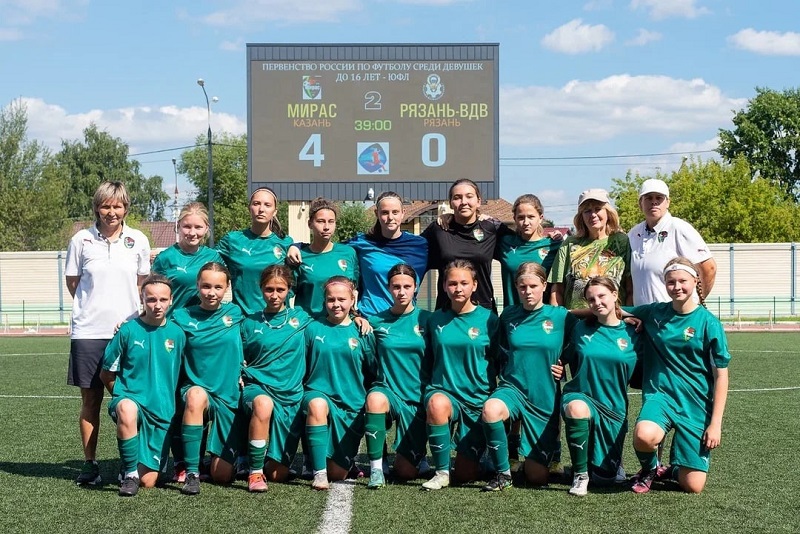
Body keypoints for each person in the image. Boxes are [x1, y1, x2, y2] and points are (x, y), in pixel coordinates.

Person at [65, 180, 151, 486]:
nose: (111, 212)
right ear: (96, 208)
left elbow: (142, 285)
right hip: (88, 332)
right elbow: (74, 284)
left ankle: (131, 464)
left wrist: (129, 319)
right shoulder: (81, 240)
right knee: (91, 401)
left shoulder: (138, 240)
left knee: (131, 399)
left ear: (126, 208)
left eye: (117, 206)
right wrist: (93, 309)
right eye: (105, 206)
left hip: (128, 332)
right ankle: (90, 464)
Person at [625, 257, 730, 494]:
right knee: (644, 435)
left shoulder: (709, 323)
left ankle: (672, 469)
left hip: (696, 403)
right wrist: (629, 317)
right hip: (661, 396)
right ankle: (650, 468)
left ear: (695, 281)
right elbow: (611, 310)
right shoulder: (654, 312)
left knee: (693, 486)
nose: (677, 287)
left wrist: (715, 424)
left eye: (683, 281)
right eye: (671, 282)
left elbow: (721, 376)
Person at [480, 262, 577, 491]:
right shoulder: (508, 315)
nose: (528, 292)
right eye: (522, 287)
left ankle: (531, 462)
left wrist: (563, 361)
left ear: (544, 285)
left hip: (544, 395)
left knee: (537, 477)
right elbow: (499, 348)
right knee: (491, 410)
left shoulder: (560, 316)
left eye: (533, 286)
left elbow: (581, 338)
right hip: (512, 388)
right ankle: (503, 473)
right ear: (516, 287)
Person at [100, 275, 186, 496]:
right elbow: (106, 372)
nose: (157, 305)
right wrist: (121, 395)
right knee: (127, 408)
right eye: (151, 299)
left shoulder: (178, 333)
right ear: (142, 299)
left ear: (171, 300)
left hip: (161, 411)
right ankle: (129, 474)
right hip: (132, 401)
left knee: (148, 481)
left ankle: (133, 463)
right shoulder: (127, 331)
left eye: (163, 300)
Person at [422, 260, 499, 491]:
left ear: (474, 285)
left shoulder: (489, 320)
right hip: (444, 391)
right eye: (452, 283)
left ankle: (483, 455)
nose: (458, 289)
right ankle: (441, 472)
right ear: (444, 286)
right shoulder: (434, 320)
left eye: (464, 283)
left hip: (477, 398)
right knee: (436, 403)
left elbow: (501, 358)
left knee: (465, 474)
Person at [559, 276, 640, 497]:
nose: (597, 303)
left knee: (606, 479)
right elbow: (563, 353)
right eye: (591, 299)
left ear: (615, 294)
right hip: (580, 394)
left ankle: (607, 464)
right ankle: (580, 475)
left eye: (602, 296)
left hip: (613, 408)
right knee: (576, 408)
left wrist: (629, 315)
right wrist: (558, 366)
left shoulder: (634, 333)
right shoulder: (580, 328)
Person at [288, 191, 428, 316]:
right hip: (371, 319)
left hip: (406, 319)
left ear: (403, 212)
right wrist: (296, 246)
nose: (390, 217)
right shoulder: (361, 243)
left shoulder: (421, 245)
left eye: (395, 212)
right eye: (385, 212)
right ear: (377, 214)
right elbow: (325, 246)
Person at [171, 262, 246, 495]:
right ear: (197, 285)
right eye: (205, 286)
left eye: (217, 287)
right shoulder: (181, 316)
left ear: (227, 287)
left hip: (228, 395)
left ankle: (223, 459)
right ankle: (192, 472)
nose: (211, 292)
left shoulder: (236, 313)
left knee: (221, 476)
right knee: (195, 395)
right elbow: (156, 328)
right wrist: (130, 322)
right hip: (196, 388)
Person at [240, 265, 312, 492]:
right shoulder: (248, 322)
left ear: (289, 290)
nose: (274, 295)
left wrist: (357, 318)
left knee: (277, 474)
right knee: (263, 404)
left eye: (280, 290)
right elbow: (234, 355)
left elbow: (333, 322)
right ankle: (254, 472)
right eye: (269, 289)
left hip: (290, 395)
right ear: (261, 289)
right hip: (258, 388)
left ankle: (257, 459)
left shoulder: (303, 319)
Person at [303, 276, 377, 490]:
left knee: (337, 474)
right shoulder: (312, 328)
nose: (336, 304)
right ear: (324, 301)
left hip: (351, 405)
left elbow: (373, 370)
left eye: (342, 299)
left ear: (352, 300)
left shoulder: (363, 331)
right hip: (318, 394)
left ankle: (339, 462)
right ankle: (318, 473)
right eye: (331, 299)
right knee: (317, 404)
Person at [364, 263, 433, 489]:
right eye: (396, 287)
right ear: (388, 288)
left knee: (405, 472)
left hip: (416, 397)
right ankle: (377, 467)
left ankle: (418, 456)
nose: (401, 292)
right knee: (374, 399)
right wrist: (356, 318)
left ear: (415, 287)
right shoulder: (375, 322)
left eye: (406, 286)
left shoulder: (428, 319)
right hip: (388, 391)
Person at [422, 179, 512, 311]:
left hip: (483, 311)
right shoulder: (439, 229)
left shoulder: (491, 228)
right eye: (457, 197)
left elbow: (523, 242)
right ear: (450, 203)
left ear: (478, 201)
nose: (463, 202)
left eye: (469, 196)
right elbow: (412, 249)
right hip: (446, 312)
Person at [628, 178, 716, 305]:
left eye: (659, 198)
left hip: (673, 315)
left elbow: (709, 268)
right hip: (643, 315)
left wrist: (695, 304)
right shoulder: (633, 234)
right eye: (648, 198)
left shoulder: (679, 228)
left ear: (668, 202)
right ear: (640, 203)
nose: (654, 202)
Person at [549, 188, 632, 310]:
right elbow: (557, 289)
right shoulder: (570, 244)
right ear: (581, 216)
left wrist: (628, 316)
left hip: (612, 318)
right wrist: (556, 318)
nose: (593, 215)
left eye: (598, 209)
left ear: (608, 212)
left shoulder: (622, 242)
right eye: (587, 211)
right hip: (575, 318)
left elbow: (630, 288)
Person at [216, 187, 293, 315]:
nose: (261, 209)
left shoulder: (286, 242)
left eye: (267, 205)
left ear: (275, 211)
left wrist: (298, 246)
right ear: (249, 208)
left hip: (276, 319)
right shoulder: (232, 240)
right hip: (244, 318)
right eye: (256, 204)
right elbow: (206, 262)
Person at [151, 202, 223, 314]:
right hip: (174, 322)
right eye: (187, 227)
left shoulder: (213, 257)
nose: (192, 233)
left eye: (198, 227)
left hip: (205, 322)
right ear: (178, 226)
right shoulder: (165, 258)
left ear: (206, 228)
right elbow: (152, 296)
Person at [291, 198, 359, 317]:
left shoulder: (348, 253)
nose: (326, 227)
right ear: (310, 224)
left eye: (331, 221)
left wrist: (355, 317)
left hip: (341, 324)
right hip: (309, 323)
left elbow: (354, 290)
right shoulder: (299, 256)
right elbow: (286, 294)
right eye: (320, 221)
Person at [494, 194, 560, 309]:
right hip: (512, 315)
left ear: (541, 218)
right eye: (521, 217)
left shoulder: (553, 246)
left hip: (542, 316)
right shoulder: (505, 243)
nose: (526, 222)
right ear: (514, 218)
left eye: (531, 217)